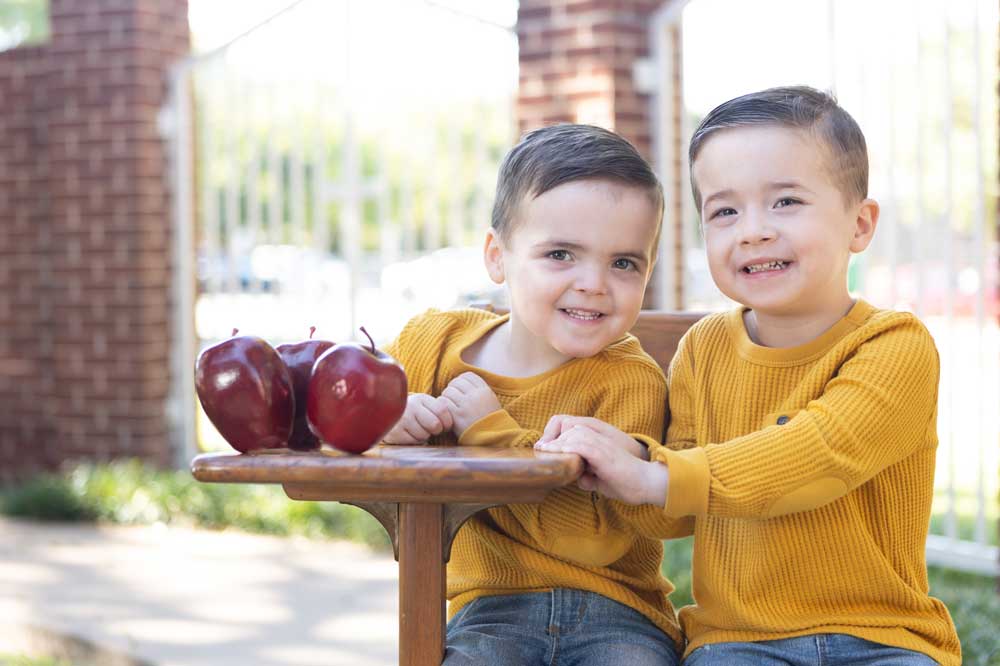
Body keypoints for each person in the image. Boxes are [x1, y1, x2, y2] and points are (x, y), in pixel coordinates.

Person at [536, 86, 962, 666]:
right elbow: (675, 510)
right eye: (725, 210)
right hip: (738, 642)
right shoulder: (704, 349)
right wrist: (631, 456)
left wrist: (656, 477)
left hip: (882, 638)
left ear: (860, 224)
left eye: (786, 202)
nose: (753, 230)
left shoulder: (894, 346)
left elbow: (819, 453)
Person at [382, 124, 690, 665]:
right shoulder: (431, 343)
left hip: (619, 618)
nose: (594, 282)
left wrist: (489, 432)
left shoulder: (628, 380)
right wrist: (381, 423)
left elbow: (596, 540)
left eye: (623, 262)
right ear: (497, 256)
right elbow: (327, 424)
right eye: (561, 254)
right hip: (489, 615)